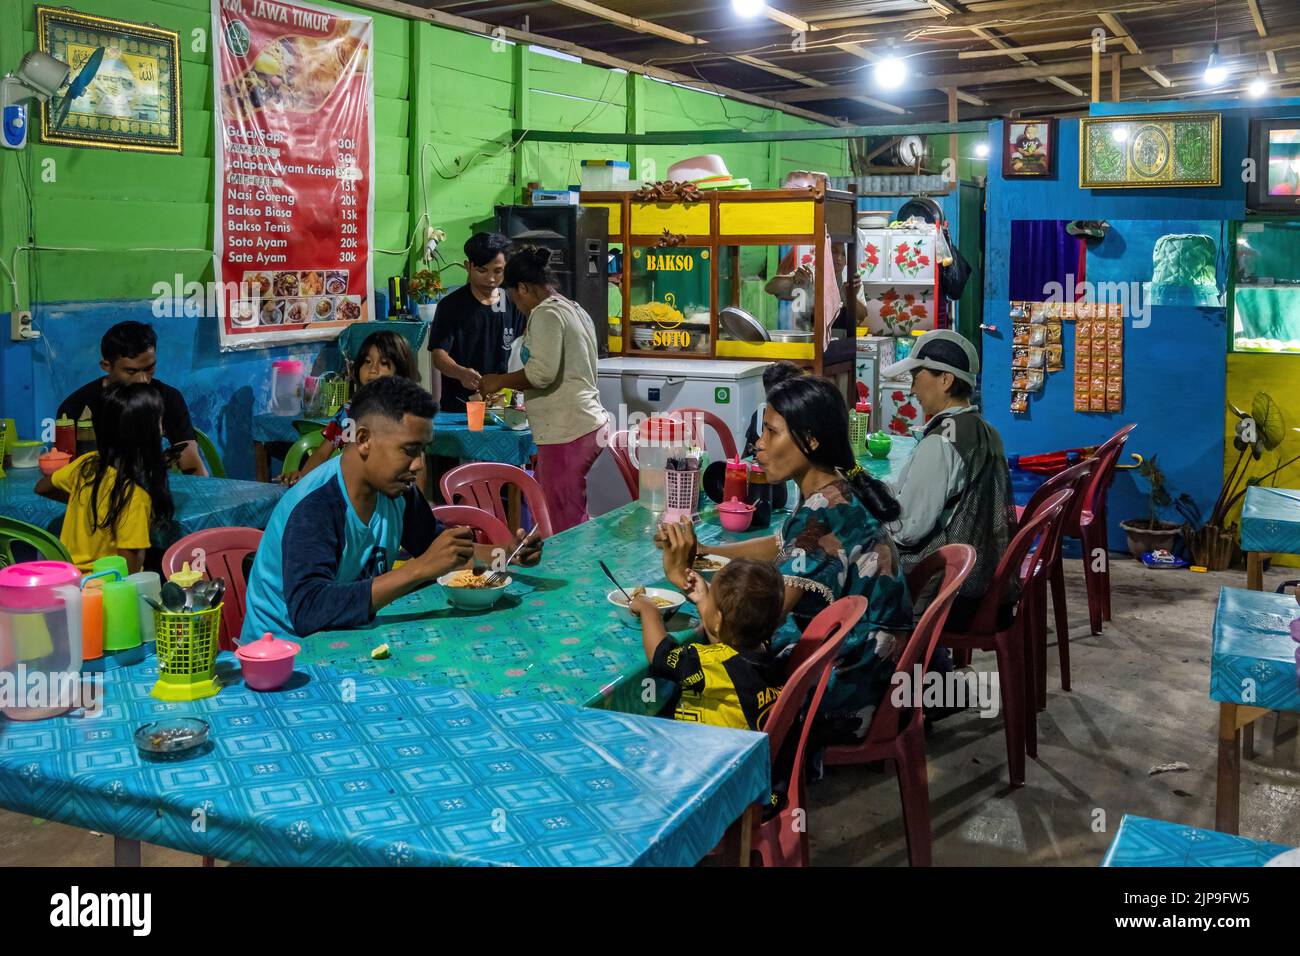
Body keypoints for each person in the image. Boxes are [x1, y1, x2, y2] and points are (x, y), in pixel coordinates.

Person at [657, 375, 912, 741]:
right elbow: (783, 546)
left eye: (772, 433)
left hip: (848, 685)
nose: (759, 445)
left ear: (810, 440)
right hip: (873, 665)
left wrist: (680, 577)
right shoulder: (835, 487)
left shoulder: (821, 512)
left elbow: (752, 623)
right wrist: (705, 553)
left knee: (702, 673)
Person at [241, 376, 543, 641]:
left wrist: (506, 554)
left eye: (423, 450)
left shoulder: (398, 491)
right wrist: (417, 568)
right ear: (363, 440)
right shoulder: (317, 505)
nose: (419, 465)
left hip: (347, 638)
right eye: (409, 450)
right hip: (285, 658)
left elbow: (441, 551)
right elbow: (309, 611)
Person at [882, 329, 1017, 633]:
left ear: (945, 380)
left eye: (917, 375)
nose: (912, 387)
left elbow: (906, 531)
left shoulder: (942, 442)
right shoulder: (985, 430)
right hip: (981, 580)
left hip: (948, 594)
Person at [479, 246, 608, 533]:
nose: (515, 303)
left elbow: (541, 374)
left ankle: (574, 577)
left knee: (564, 522)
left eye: (513, 295)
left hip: (567, 429)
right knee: (568, 511)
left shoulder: (545, 313)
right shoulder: (573, 308)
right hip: (588, 423)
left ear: (523, 288)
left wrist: (497, 381)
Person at [631, 559, 785, 731]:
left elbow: (660, 655)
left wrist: (649, 610)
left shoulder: (710, 664)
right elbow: (725, 639)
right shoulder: (762, 647)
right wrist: (703, 598)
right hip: (746, 744)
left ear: (718, 619)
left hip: (709, 749)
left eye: (712, 597)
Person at [36, 383, 174, 573]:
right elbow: (129, 573)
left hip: (68, 581)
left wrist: (82, 499)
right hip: (103, 594)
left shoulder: (86, 464)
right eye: (160, 421)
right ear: (150, 433)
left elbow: (42, 487)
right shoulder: (134, 497)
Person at [58, 321, 208, 477]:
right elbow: (66, 474)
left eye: (149, 368)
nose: (143, 380)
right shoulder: (77, 407)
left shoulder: (169, 398)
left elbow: (190, 460)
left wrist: (202, 493)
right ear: (106, 366)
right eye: (131, 371)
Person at [281, 330, 418, 486]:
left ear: (399, 372)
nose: (373, 369)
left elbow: (417, 464)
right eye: (367, 361)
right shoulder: (349, 412)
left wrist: (417, 506)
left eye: (384, 363)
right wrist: (303, 478)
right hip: (355, 495)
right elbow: (322, 453)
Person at [429, 232, 527, 413]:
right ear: (468, 266)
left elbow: (524, 346)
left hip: (506, 407)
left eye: (498, 271)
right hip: (460, 408)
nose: (491, 279)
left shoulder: (514, 304)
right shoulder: (451, 306)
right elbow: (438, 355)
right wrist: (460, 373)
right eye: (482, 270)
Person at [743, 360, 804, 458]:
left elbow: (746, 457)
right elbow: (747, 456)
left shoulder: (761, 414)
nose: (760, 444)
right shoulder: (759, 415)